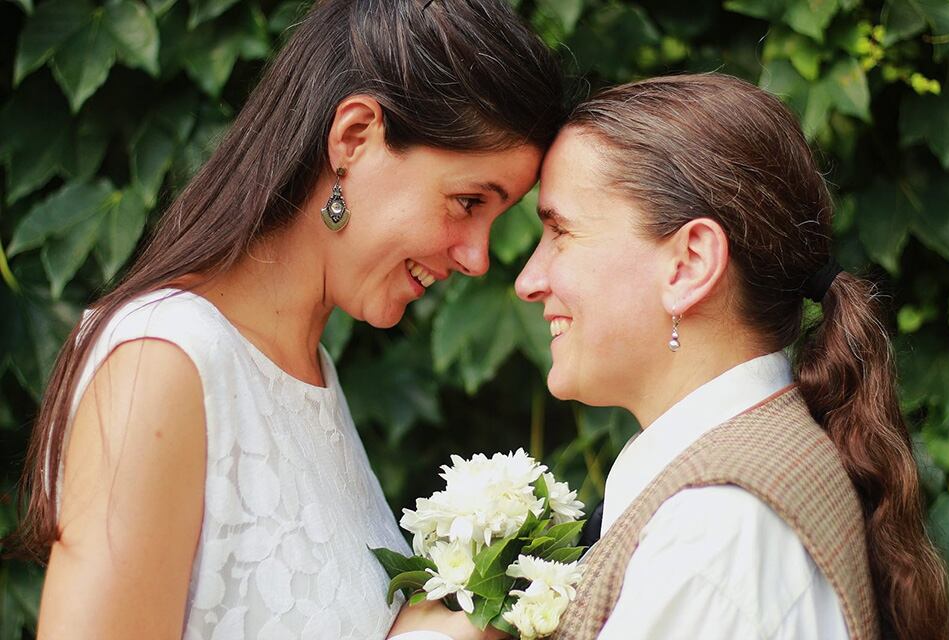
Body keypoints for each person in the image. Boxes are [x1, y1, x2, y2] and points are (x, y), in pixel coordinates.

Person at [8, 0, 565, 638]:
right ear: (354, 137)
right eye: (468, 202)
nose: (477, 257)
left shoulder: (311, 372)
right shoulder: (164, 362)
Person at [514, 74, 949, 639]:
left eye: (561, 233)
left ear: (690, 264)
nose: (528, 279)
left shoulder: (713, 537)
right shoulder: (740, 482)